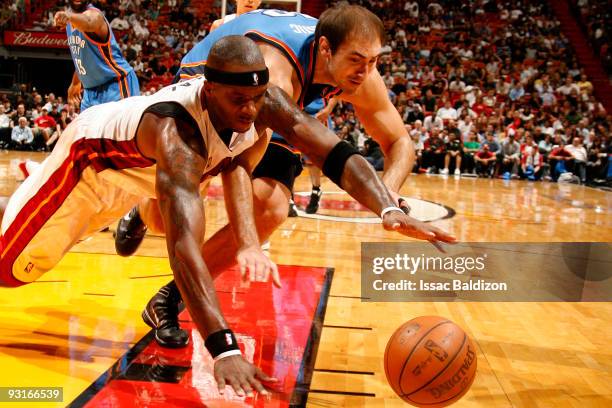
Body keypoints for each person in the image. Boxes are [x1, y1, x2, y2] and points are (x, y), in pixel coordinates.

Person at [0, 36, 454, 395]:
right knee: (10, 272)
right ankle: (33, 191)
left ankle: (31, 201)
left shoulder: (258, 101)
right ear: (209, 88)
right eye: (238, 98)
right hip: (89, 169)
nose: (250, 110)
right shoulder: (178, 137)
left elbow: (330, 149)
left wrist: (388, 206)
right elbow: (182, 249)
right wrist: (222, 348)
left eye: (258, 97)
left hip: (133, 177)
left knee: (119, 223)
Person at [118, 5, 445, 348]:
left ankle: (169, 299)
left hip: (280, 103)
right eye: (357, 60)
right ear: (324, 49)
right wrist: (246, 244)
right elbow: (237, 164)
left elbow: (399, 141)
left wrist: (387, 194)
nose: (365, 71)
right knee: (162, 218)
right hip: (216, 95)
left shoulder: (358, 71)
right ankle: (141, 210)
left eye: (374, 61)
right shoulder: (274, 72)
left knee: (271, 206)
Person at [54, 0, 140, 111]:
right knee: (85, 128)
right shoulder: (69, 21)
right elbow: (84, 57)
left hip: (116, 84)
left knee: (121, 128)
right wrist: (75, 82)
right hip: (90, 93)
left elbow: (89, 22)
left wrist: (68, 16)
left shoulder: (95, 15)